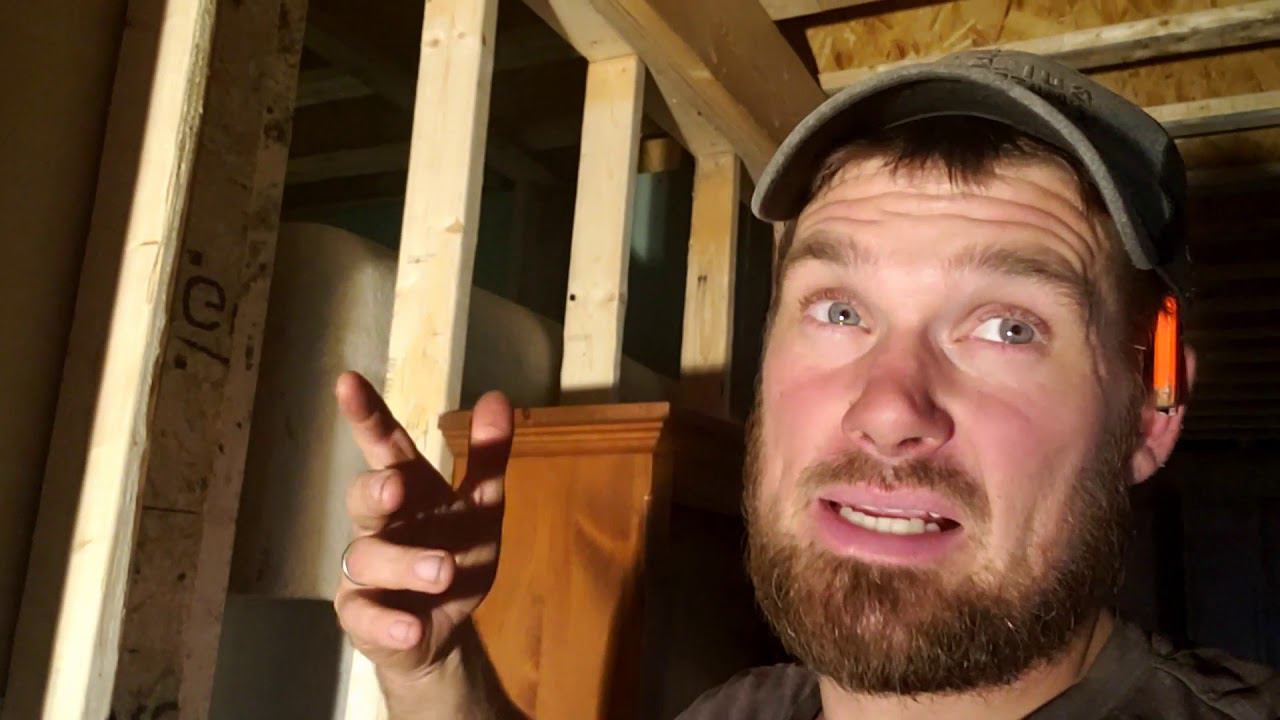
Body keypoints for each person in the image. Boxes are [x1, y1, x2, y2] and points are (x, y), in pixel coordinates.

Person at [331, 50, 1280, 719]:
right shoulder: (738, 713)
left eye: (1008, 327)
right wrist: (436, 674)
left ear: (1150, 416)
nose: (887, 409)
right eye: (839, 311)